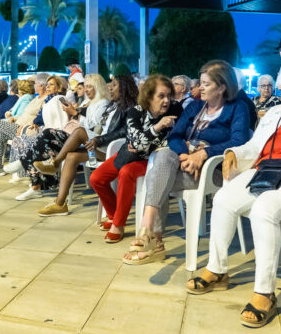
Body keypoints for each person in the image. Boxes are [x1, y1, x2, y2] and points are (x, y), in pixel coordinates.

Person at [185, 58, 281, 328]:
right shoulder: (276, 112)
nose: (279, 87)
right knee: (224, 199)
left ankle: (265, 292)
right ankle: (217, 270)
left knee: (265, 208)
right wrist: (232, 153)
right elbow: (253, 146)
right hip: (266, 172)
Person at [122, 60, 251, 264]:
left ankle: (154, 241)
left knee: (155, 177)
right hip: (185, 165)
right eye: (200, 83)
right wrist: (184, 155)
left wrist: (204, 154)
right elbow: (175, 135)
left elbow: (239, 142)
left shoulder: (237, 108)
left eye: (206, 84)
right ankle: (148, 232)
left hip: (213, 171)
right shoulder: (195, 107)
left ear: (222, 87)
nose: (200, 88)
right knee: (165, 155)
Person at [89, 75, 183, 242]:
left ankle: (118, 224)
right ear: (149, 96)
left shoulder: (175, 109)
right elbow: (136, 143)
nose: (167, 100)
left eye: (169, 95)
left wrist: (143, 141)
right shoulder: (135, 112)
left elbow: (171, 138)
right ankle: (113, 215)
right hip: (129, 155)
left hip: (154, 159)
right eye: (161, 96)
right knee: (96, 178)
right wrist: (157, 127)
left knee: (126, 173)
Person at [35, 75, 139, 216]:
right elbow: (100, 126)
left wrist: (99, 139)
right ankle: (60, 204)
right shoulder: (113, 105)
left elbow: (123, 132)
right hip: (102, 145)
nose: (110, 88)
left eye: (114, 85)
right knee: (71, 156)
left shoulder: (130, 108)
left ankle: (55, 163)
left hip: (111, 149)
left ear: (124, 88)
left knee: (79, 132)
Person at [5, 74, 110, 200]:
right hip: (73, 134)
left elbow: (93, 126)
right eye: (85, 86)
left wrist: (75, 113)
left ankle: (26, 165)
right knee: (42, 144)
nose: (86, 90)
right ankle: (35, 184)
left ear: (97, 87)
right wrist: (72, 114)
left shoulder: (102, 103)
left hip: (87, 139)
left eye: (89, 87)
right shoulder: (88, 102)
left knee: (46, 135)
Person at [0, 75, 67, 177]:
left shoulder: (47, 100)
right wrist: (15, 118)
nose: (34, 85)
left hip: (27, 128)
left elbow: (39, 118)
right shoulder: (38, 98)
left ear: (41, 85)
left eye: (35, 83)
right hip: (19, 125)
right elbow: (25, 114)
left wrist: (22, 126)